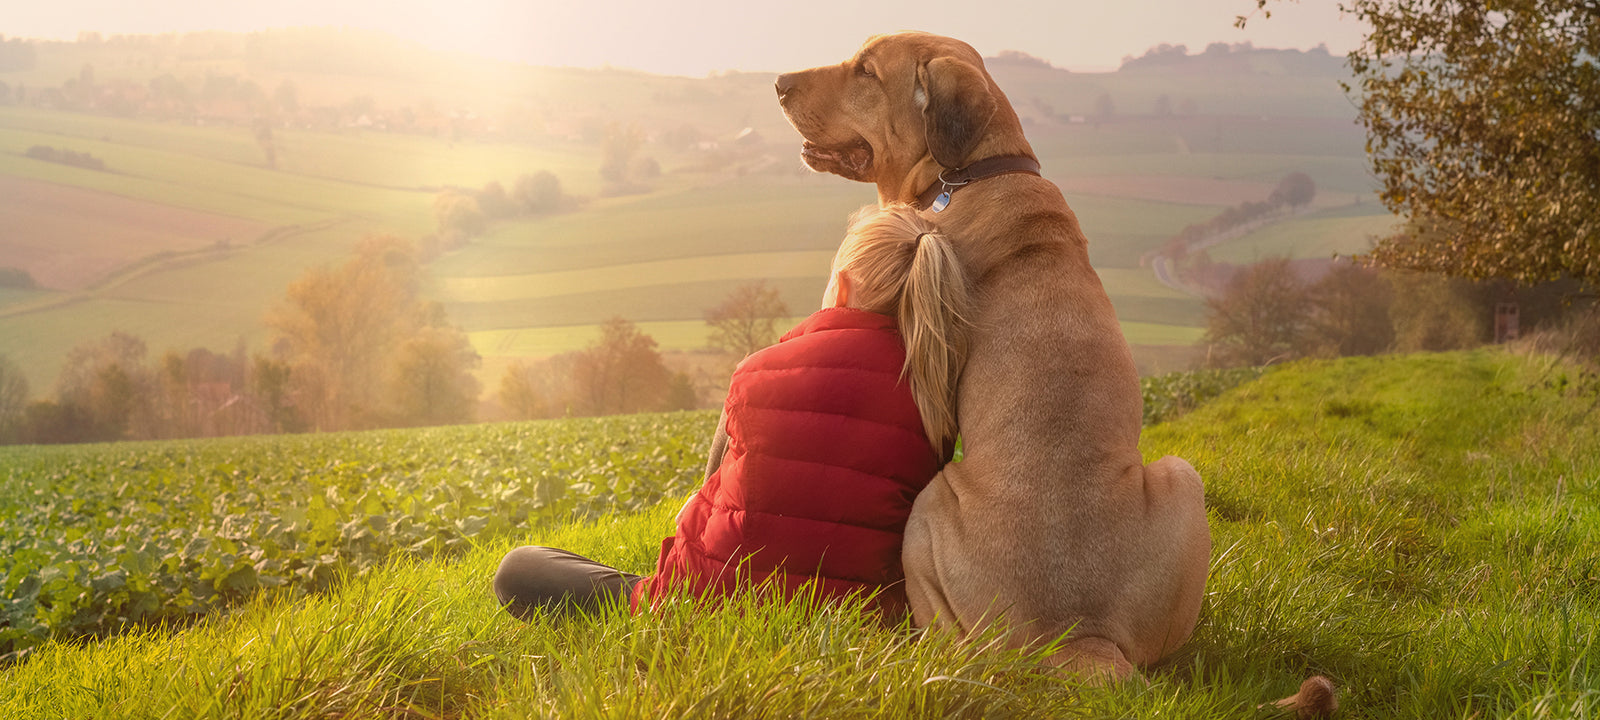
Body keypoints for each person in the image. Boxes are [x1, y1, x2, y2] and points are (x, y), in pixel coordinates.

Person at [492, 203, 973, 621]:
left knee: (519, 568)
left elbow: (707, 510)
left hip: (699, 606)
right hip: (858, 622)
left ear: (842, 288)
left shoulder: (759, 370)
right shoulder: (939, 395)